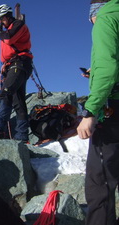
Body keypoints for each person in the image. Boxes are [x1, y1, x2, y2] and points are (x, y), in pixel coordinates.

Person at [77, 1, 119, 224]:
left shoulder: (105, 18)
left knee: (99, 181)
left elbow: (109, 67)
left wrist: (91, 111)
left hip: (113, 107)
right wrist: (97, 70)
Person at [0, 4, 33, 143]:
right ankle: (22, 136)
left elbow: (8, 39)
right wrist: (5, 64)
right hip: (14, 64)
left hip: (20, 63)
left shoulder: (18, 25)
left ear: (7, 16)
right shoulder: (9, 28)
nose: (0, 23)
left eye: (1, 19)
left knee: (6, 92)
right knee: (18, 101)